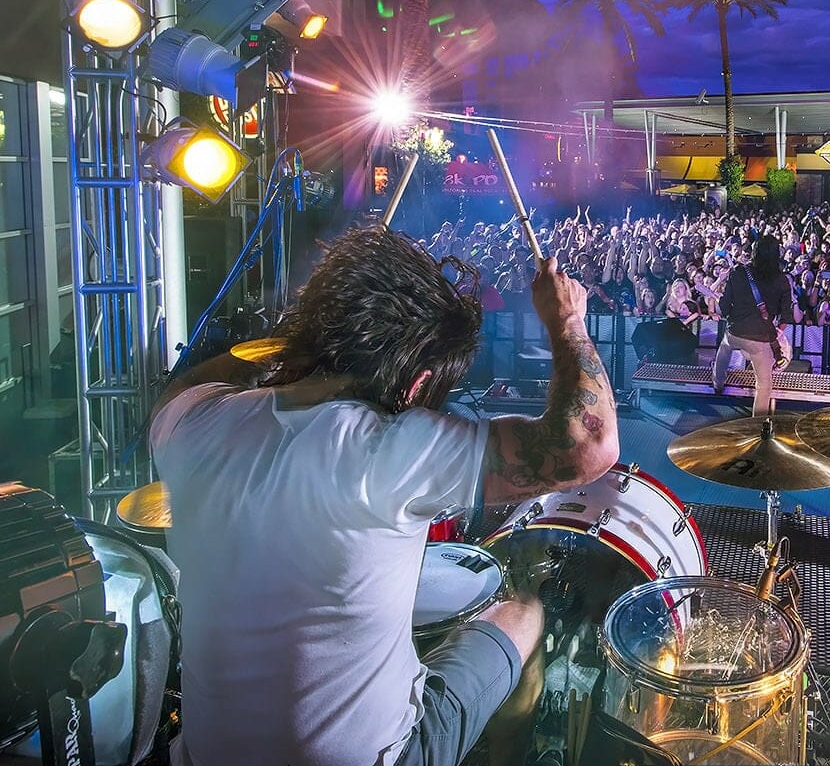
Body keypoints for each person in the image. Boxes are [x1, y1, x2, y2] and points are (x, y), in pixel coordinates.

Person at [149, 228, 618, 766]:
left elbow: (186, 387)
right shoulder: (384, 451)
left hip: (204, 756)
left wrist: (303, 341)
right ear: (417, 385)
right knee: (523, 612)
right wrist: (569, 321)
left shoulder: (192, 422)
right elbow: (589, 445)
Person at [713, 234, 794, 417]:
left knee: (725, 347)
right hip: (760, 339)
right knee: (764, 385)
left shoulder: (738, 272)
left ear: (754, 252)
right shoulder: (782, 280)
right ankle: (757, 425)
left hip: (735, 331)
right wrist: (775, 334)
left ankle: (718, 383)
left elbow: (723, 308)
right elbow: (786, 317)